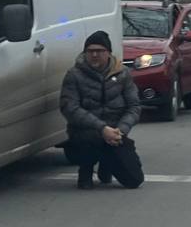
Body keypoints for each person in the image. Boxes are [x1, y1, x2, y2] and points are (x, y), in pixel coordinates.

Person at [59, 31, 144, 190]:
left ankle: (107, 163)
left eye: (100, 51)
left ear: (109, 53)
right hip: (86, 132)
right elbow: (69, 108)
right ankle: (86, 170)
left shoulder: (123, 73)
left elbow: (134, 106)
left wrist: (121, 130)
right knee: (89, 142)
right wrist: (102, 128)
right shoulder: (74, 75)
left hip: (116, 131)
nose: (95, 55)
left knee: (134, 180)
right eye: (90, 51)